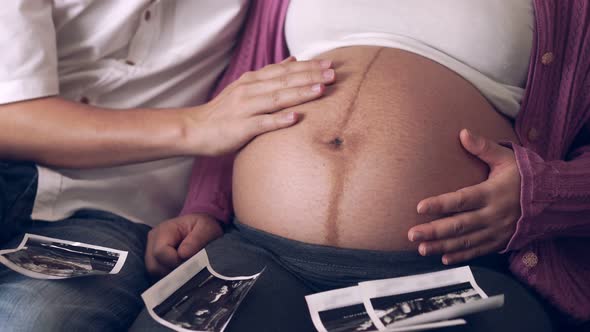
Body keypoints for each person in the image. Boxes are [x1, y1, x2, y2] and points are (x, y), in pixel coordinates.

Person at [138, 0, 590, 331]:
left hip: (438, 271)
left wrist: (548, 193)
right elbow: (241, 92)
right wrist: (205, 207)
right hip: (259, 252)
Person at [0, 1, 336, 331]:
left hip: (108, 211)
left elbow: (259, 71)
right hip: (8, 174)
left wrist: (208, 207)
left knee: (32, 320)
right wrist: (196, 126)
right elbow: (10, 120)